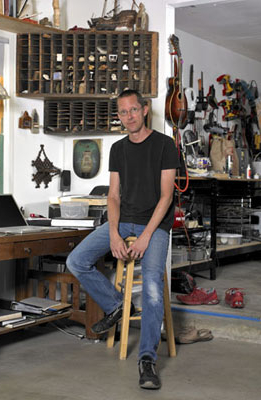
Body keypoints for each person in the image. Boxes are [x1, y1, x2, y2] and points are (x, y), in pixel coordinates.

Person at [66, 89, 180, 390]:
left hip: (154, 225)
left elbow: (167, 196)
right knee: (76, 260)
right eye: (122, 112)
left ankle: (146, 359)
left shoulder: (165, 145)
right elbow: (113, 195)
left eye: (133, 110)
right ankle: (118, 305)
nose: (128, 116)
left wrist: (144, 237)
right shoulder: (118, 149)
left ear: (144, 110)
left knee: (154, 282)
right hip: (123, 219)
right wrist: (114, 233)